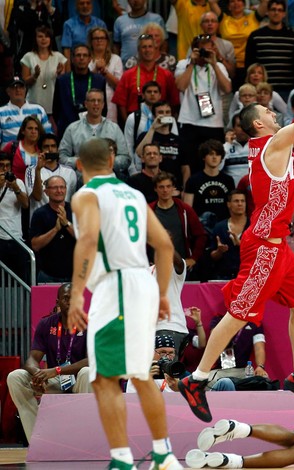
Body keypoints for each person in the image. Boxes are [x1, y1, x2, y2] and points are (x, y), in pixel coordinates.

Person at [176, 41, 294, 422]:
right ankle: (196, 379)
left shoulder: (282, 142)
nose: (275, 112)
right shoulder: (272, 144)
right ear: (259, 124)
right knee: (240, 313)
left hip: (282, 248)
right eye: (268, 111)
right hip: (263, 244)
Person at [67, 137, 183, 470]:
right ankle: (163, 455)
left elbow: (88, 239)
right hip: (142, 284)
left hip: (115, 284)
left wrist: (76, 293)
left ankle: (121, 459)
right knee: (140, 373)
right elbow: (164, 244)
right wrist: (161, 292)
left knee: (103, 377)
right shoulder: (133, 195)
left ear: (79, 166)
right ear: (112, 161)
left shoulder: (87, 195)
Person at [7, 283, 89, 443]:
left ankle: (85, 440)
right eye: (66, 298)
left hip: (79, 379)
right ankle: (38, 442)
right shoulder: (46, 324)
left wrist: (55, 371)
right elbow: (32, 358)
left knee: (88, 372)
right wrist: (38, 375)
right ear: (58, 301)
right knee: (15, 376)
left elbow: (92, 360)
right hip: (52, 380)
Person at [175, 34, 232, 172]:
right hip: (189, 121)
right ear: (194, 50)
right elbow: (181, 86)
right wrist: (192, 64)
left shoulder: (218, 66)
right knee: (189, 163)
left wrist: (214, 64)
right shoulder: (183, 64)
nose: (205, 54)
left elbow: (227, 88)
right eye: (202, 50)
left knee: (213, 162)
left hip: (213, 123)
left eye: (208, 50)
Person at [59, 88, 130, 179]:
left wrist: (105, 162)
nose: (96, 103)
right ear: (86, 104)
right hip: (81, 179)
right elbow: (62, 156)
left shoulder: (114, 128)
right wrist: (81, 161)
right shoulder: (72, 128)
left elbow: (125, 157)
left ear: (103, 105)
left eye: (99, 101)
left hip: (109, 177)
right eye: (92, 100)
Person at [113, 34, 179, 126]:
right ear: (139, 50)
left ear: (155, 49)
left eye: (150, 46)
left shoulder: (166, 75)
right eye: (144, 47)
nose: (147, 50)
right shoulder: (128, 75)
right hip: (135, 121)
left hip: (161, 122)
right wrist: (128, 124)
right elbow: (121, 103)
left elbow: (174, 101)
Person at [150, 171, 208, 275]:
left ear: (173, 188)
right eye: (161, 187)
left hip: (181, 267)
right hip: (155, 267)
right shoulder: (148, 211)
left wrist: (193, 258)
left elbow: (201, 235)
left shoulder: (185, 210)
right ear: (155, 189)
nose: (165, 190)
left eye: (168, 186)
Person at [243, 0, 294, 99]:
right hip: (262, 90)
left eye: (280, 10)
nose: (276, 12)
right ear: (267, 12)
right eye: (273, 9)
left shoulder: (293, 37)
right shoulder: (256, 36)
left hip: (287, 89)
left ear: (284, 13)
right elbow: (249, 63)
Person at [51, 45, 106, 137]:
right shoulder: (62, 81)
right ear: (72, 59)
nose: (81, 58)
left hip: (92, 131)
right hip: (67, 130)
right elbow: (56, 109)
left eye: (85, 55)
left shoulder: (99, 80)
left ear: (89, 59)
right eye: (78, 55)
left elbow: (104, 108)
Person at [30, 176, 76, 283]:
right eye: (55, 188)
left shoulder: (76, 210)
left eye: (62, 187)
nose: (59, 191)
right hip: (47, 276)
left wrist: (66, 224)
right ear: (46, 192)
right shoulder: (39, 214)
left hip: (75, 276)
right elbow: (35, 245)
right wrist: (55, 229)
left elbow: (85, 239)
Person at [183, 139, 236, 224]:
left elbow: (233, 207)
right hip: (200, 226)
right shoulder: (193, 180)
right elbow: (187, 209)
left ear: (221, 157)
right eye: (211, 154)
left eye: (218, 154)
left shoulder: (228, 180)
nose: (214, 157)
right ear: (204, 157)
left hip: (223, 227)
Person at [25, 134, 77, 217]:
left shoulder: (70, 172)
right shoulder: (31, 171)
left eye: (53, 146)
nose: (50, 149)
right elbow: (37, 197)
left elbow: (71, 200)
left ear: (58, 149)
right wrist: (38, 170)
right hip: (41, 220)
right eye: (46, 147)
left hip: (64, 219)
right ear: (40, 151)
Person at [20, 26, 67, 116]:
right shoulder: (28, 57)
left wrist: (59, 74)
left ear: (50, 39)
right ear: (35, 39)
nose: (43, 39)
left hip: (53, 102)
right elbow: (25, 82)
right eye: (40, 36)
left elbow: (63, 82)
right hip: (33, 102)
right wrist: (34, 76)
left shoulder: (59, 57)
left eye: (46, 36)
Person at [0, 151, 30, 282]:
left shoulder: (18, 182)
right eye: (1, 166)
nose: (5, 169)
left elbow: (25, 205)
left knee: (19, 280)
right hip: (0, 237)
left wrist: (15, 187)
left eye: (8, 166)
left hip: (16, 238)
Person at [209, 190, 250, 280]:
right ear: (228, 204)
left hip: (248, 277)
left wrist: (242, 245)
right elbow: (213, 256)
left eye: (242, 201)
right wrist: (219, 251)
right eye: (236, 201)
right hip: (223, 277)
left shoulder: (254, 226)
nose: (240, 204)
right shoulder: (219, 227)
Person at [0, 76, 51, 148]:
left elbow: (48, 136)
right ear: (8, 91)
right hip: (9, 156)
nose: (18, 90)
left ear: (25, 90)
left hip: (36, 155)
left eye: (21, 87)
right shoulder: (1, 112)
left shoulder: (39, 110)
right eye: (14, 87)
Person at [112, 0, 166, 66]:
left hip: (152, 67)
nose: (136, 1)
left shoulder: (156, 19)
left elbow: (164, 44)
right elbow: (116, 46)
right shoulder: (119, 21)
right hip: (126, 67)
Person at [87, 27, 123, 123]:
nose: (99, 41)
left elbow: (119, 86)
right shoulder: (85, 59)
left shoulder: (116, 59)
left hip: (110, 101)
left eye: (102, 38)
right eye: (96, 38)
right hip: (90, 100)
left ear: (107, 41)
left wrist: (104, 72)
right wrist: (95, 70)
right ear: (91, 41)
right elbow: (84, 81)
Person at [3, 115, 44, 181]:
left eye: (36, 129)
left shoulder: (43, 148)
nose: (33, 131)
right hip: (15, 188)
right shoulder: (12, 146)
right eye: (30, 128)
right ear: (23, 131)